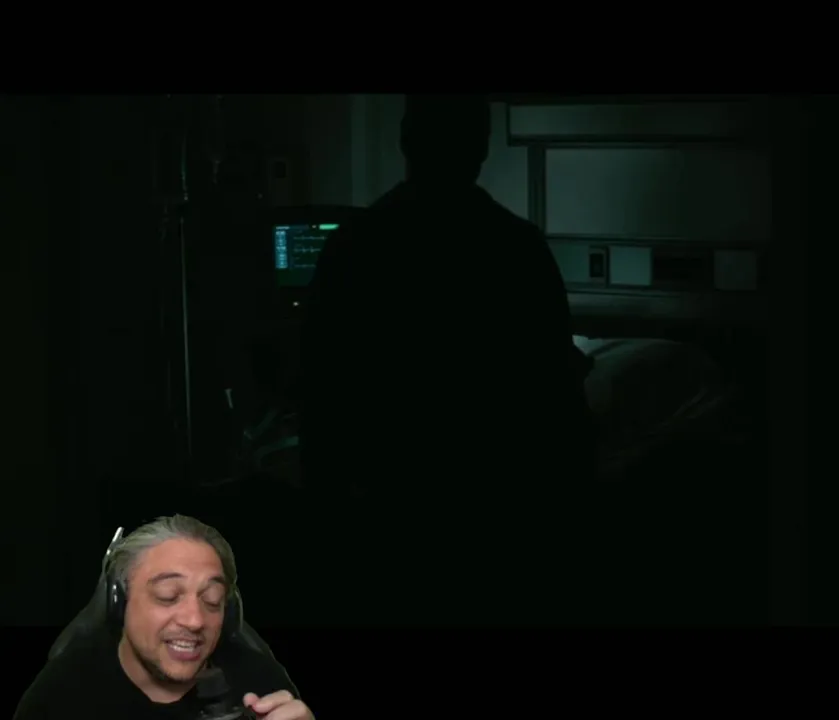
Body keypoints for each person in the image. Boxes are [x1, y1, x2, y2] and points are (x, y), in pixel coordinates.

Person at [297, 94, 602, 624]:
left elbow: (318, 389)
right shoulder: (516, 250)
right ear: (481, 147)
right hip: (495, 520)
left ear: (405, 140)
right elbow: (559, 399)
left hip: (382, 515)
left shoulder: (355, 247)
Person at [13, 515, 311, 720]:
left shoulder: (259, 681)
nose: (195, 620)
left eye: (212, 600)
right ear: (119, 602)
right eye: (168, 595)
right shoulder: (62, 692)